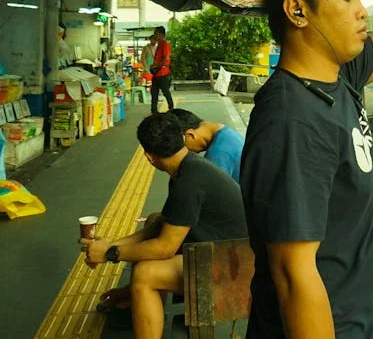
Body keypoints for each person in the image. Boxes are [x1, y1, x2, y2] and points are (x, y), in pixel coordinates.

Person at [240, 0, 373, 339]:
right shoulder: (291, 119)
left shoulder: (342, 78)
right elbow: (293, 274)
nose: (362, 12)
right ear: (297, 11)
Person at [80, 113, 248, 339]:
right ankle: (144, 309)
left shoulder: (189, 182)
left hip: (237, 269)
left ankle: (144, 307)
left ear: (149, 157)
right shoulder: (187, 167)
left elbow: (164, 247)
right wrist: (108, 245)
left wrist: (110, 254)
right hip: (226, 252)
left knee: (145, 274)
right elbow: (159, 228)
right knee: (153, 221)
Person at [168, 108, 245, 183]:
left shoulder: (218, 153)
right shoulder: (226, 132)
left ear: (190, 135)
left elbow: (209, 192)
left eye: (183, 147)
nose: (187, 152)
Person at [150, 26, 174, 114]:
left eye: (156, 34)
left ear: (161, 35)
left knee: (165, 92)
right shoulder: (159, 45)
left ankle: (171, 109)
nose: (155, 36)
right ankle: (154, 111)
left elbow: (166, 58)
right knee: (154, 92)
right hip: (157, 73)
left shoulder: (164, 44)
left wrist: (156, 65)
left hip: (163, 72)